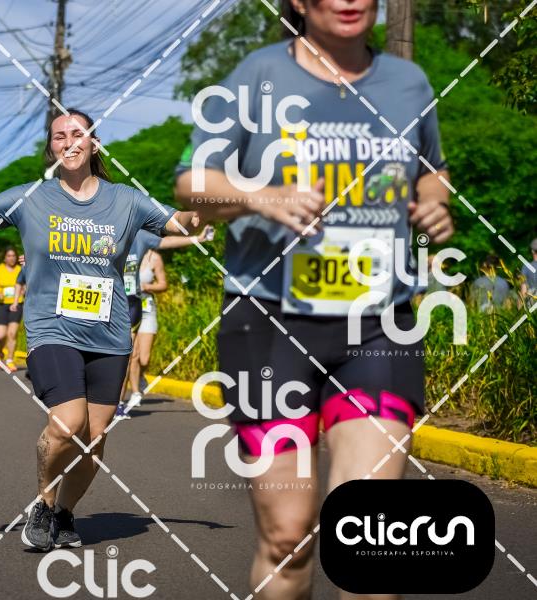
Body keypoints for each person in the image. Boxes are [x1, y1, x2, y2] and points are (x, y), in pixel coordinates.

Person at [175, 1, 453, 598]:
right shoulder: (258, 75)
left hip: (377, 323)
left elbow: (433, 170)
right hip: (267, 321)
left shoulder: (408, 82)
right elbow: (192, 183)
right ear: (299, 3)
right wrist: (263, 196)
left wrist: (434, 202)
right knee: (288, 537)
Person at [0, 108, 198, 552]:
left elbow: (180, 222)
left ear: (94, 143)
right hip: (52, 328)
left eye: (77, 133)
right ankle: (43, 502)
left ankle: (64, 512)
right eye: (59, 136)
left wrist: (204, 210)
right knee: (68, 423)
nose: (68, 141)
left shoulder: (126, 200)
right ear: (52, 147)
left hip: (110, 334)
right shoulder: (32, 198)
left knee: (94, 436)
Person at [116, 225, 216, 419]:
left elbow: (166, 242)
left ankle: (119, 404)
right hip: (108, 301)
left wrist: (198, 239)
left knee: (129, 356)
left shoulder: (140, 237)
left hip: (131, 303)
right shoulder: (107, 229)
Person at [0, 247, 24, 371]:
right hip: (1, 304)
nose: (11, 258)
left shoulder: (20, 269)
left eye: (13, 256)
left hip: (16, 304)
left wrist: (24, 290)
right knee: (1, 335)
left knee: (12, 334)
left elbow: (27, 284)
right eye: (9, 256)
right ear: (4, 258)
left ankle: (10, 360)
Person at [520, 238, 537, 303]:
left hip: (532, 301)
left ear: (532, 251)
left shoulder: (526, 267)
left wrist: (520, 306)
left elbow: (523, 290)